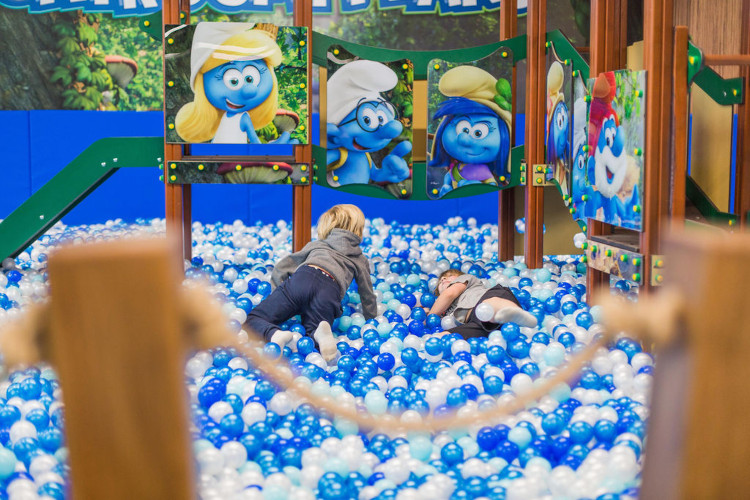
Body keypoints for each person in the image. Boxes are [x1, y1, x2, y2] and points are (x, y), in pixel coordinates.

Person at [246, 204, 377, 361]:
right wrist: (371, 320)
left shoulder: (317, 245)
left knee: (253, 319)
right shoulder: (359, 258)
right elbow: (367, 293)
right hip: (330, 290)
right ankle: (319, 334)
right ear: (358, 230)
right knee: (312, 344)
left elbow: (282, 267)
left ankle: (275, 334)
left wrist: (278, 297)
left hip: (303, 279)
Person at [428, 269, 537, 339]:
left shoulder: (466, 280)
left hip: (488, 299)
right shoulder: (445, 313)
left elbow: (449, 294)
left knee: (487, 306)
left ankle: (514, 313)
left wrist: (427, 318)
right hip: (477, 323)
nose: (443, 279)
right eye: (440, 282)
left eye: (449, 276)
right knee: (445, 335)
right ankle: (505, 316)